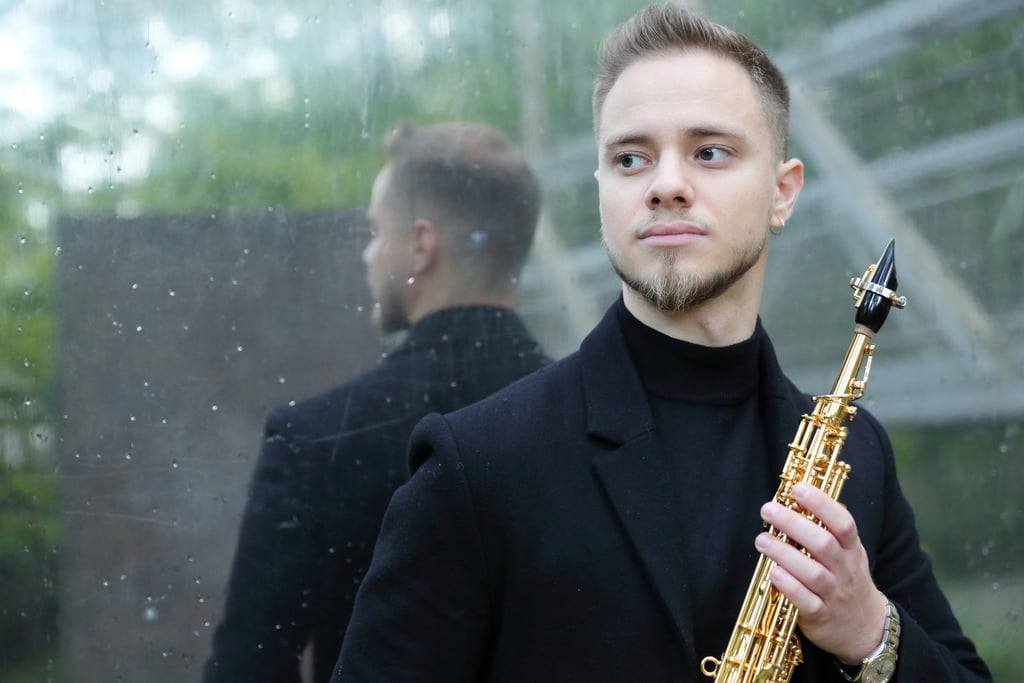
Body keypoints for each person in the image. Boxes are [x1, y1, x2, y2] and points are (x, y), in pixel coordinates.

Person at [331, 6, 992, 683]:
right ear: (603, 192)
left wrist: (871, 633)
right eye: (630, 158)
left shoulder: (859, 454)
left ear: (782, 192)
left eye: (710, 152)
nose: (666, 184)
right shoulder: (478, 464)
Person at [202, 121, 550, 683]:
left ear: (420, 244)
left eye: (374, 231)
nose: (367, 255)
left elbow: (247, 668)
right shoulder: (600, 423)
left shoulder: (315, 439)